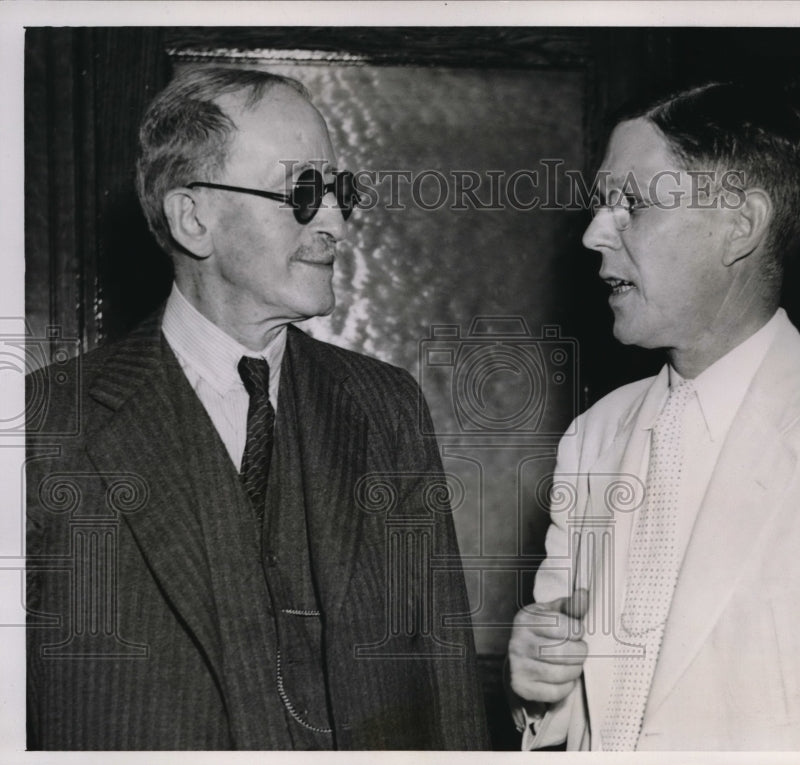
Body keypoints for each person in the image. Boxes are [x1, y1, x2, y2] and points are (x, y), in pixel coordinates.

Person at [26, 67, 488, 750]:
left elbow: (446, 689)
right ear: (194, 218)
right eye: (302, 192)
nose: (335, 222)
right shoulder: (44, 426)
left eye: (339, 192)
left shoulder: (386, 408)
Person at [507, 82, 800, 751]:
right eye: (601, 203)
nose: (593, 233)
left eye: (631, 203)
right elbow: (566, 713)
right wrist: (539, 687)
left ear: (740, 225)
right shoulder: (594, 435)